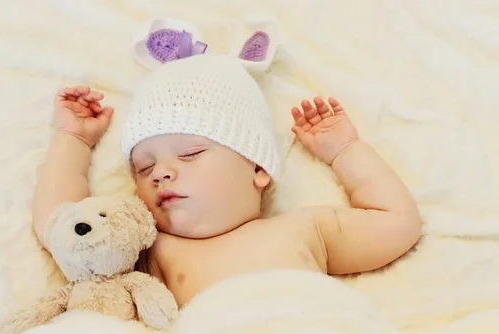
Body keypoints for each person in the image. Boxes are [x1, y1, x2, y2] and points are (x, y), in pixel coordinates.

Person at [32, 54, 422, 307]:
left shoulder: (306, 229)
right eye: (144, 168)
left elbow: (396, 223)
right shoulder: (154, 250)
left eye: (190, 154)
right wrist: (75, 140)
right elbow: (63, 230)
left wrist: (344, 150)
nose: (162, 173)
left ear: (257, 169)